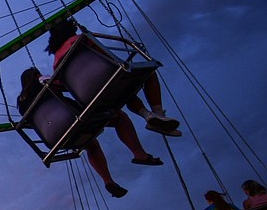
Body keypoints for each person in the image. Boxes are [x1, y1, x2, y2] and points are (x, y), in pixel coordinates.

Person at [48, 17, 181, 135]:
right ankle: (158, 112)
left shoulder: (56, 63)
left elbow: (63, 84)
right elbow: (106, 57)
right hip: (106, 79)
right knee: (149, 74)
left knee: (124, 94)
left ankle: (148, 116)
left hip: (90, 97)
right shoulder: (79, 40)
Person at [17, 67, 137, 198]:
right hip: (73, 120)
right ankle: (139, 153)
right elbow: (68, 83)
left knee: (91, 144)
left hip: (55, 137)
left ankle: (109, 182)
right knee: (119, 116)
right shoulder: (42, 81)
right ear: (35, 75)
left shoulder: (21, 102)